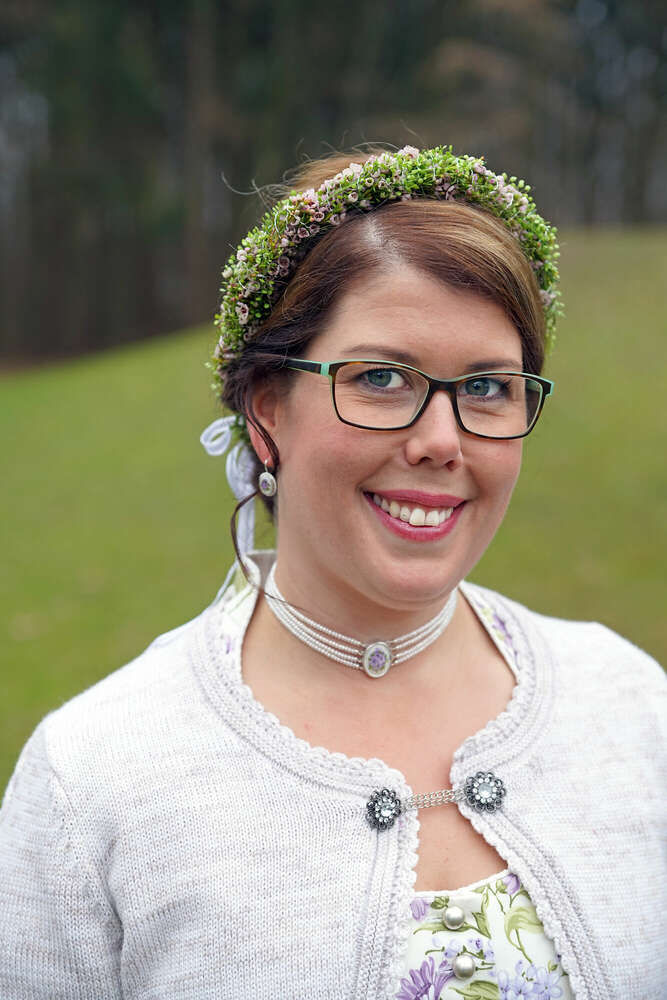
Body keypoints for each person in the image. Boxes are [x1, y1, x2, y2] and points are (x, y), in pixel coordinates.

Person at [0, 145, 664, 1000]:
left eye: (489, 388)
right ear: (266, 408)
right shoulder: (96, 779)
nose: (442, 440)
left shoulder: (628, 704)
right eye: (382, 378)